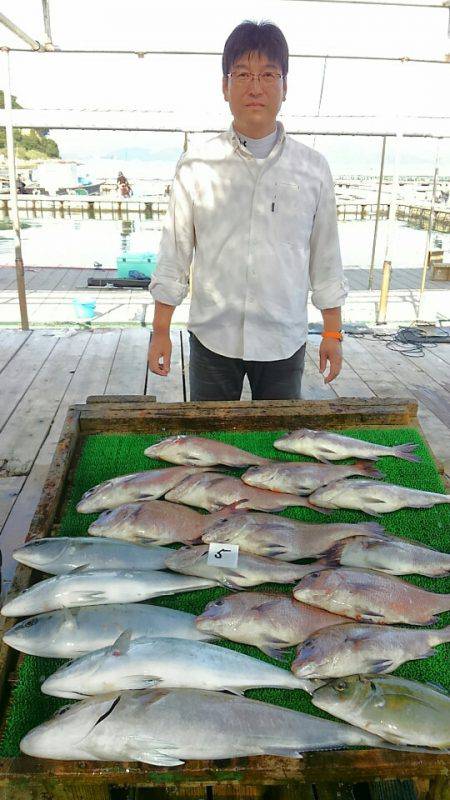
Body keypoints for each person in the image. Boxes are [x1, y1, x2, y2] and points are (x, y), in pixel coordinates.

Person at [148, 20, 347, 401]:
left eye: (268, 74)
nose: (255, 87)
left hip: (283, 339)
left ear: (285, 87)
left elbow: (326, 258)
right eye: (242, 74)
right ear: (225, 86)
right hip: (212, 338)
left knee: (280, 446)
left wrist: (332, 333)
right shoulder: (196, 164)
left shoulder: (313, 168)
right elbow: (175, 252)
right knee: (208, 446)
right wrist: (161, 330)